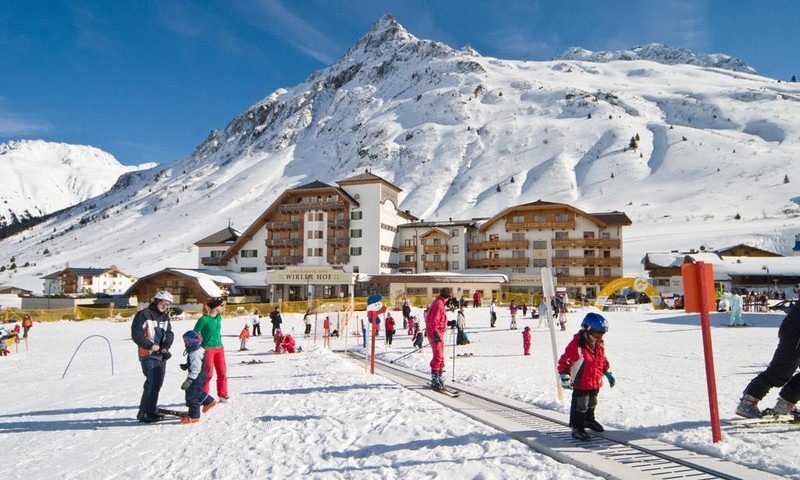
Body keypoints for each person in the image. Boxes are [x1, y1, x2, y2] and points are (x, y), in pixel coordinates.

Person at [736, 302, 800, 418]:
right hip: (796, 333)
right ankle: (748, 402)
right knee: (779, 372)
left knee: (781, 371)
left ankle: (786, 404)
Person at [558, 312, 615, 442]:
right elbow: (565, 361)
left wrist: (607, 372)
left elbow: (601, 359)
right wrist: (564, 376)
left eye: (602, 334)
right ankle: (577, 428)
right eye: (597, 334)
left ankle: (589, 420)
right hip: (581, 381)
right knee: (581, 405)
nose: (599, 337)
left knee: (592, 403)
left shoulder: (599, 344)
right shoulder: (577, 345)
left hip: (595, 379)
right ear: (587, 329)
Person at [131, 290, 175, 423]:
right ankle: (147, 413)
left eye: (168, 304)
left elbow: (169, 332)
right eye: (163, 303)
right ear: (156, 301)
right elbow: (137, 335)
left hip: (160, 354)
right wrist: (152, 346)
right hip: (148, 354)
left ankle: (145, 410)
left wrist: (166, 346)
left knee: (155, 383)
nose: (165, 306)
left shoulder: (165, 317)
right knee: (154, 382)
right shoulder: (143, 314)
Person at [194, 297, 230, 402]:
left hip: (219, 348)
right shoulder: (204, 319)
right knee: (208, 374)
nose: (223, 307)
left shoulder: (219, 317)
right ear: (215, 307)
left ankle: (223, 394)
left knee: (222, 372)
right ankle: (204, 396)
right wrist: (198, 346)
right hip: (208, 349)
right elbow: (195, 333)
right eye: (221, 305)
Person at [179, 330, 216, 424]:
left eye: (187, 341)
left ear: (193, 341)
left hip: (197, 376)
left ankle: (194, 416)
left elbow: (196, 368)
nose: (185, 343)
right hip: (200, 375)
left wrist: (189, 380)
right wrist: (187, 365)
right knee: (196, 391)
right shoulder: (197, 350)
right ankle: (209, 401)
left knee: (191, 396)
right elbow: (196, 364)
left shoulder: (195, 353)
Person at [426, 287, 451, 390]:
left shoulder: (440, 303)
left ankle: (439, 376)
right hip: (435, 333)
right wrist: (435, 332)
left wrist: (449, 322)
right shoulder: (439, 304)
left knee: (441, 356)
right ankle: (435, 378)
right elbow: (433, 320)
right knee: (438, 356)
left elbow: (440, 320)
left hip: (438, 332)